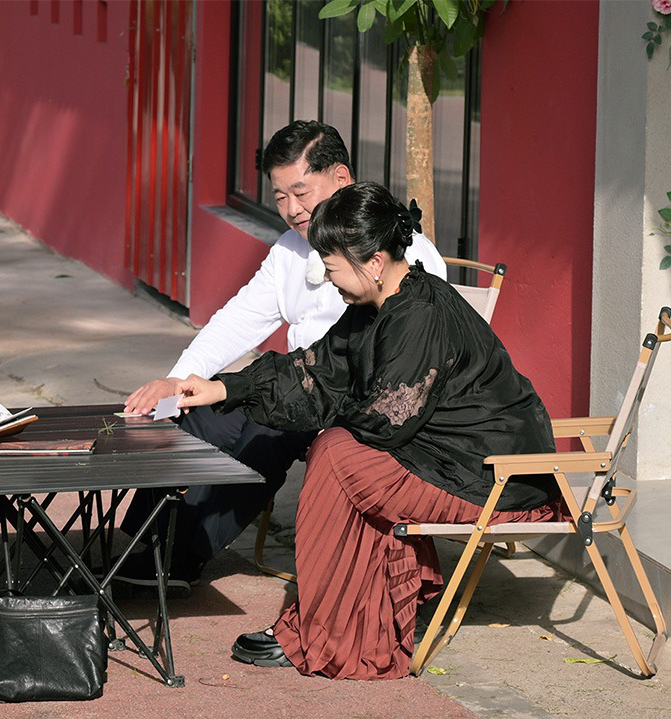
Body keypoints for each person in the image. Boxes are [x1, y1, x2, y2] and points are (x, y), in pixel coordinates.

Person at [175, 182, 565, 679]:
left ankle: (328, 633)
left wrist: (323, 426)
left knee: (340, 457)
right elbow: (315, 369)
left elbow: (386, 419)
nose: (326, 277)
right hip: (447, 461)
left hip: (493, 478)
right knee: (339, 451)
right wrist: (222, 387)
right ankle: (342, 627)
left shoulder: (420, 314)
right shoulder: (376, 306)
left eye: (332, 266)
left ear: (374, 262)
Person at [118, 121, 447, 589]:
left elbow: (404, 363)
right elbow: (239, 318)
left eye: (301, 192)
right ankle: (143, 544)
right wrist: (179, 381)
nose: (292, 210)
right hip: (300, 387)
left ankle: (180, 560)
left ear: (340, 177)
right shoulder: (290, 248)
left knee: (267, 426)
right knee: (197, 415)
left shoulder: (399, 252)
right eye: (279, 197)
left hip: (360, 404)